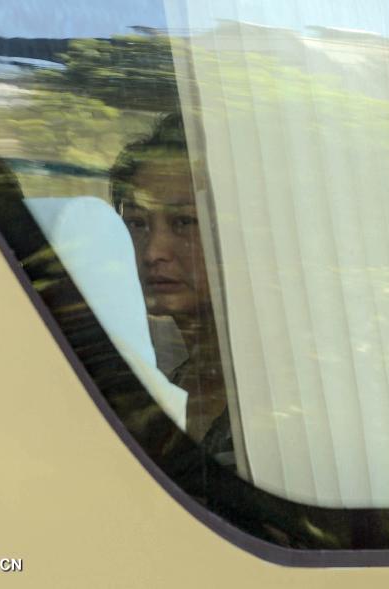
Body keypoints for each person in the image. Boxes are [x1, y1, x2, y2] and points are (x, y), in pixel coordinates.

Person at [110, 114, 234, 466]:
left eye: (184, 222)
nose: (152, 252)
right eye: (137, 223)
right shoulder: (172, 381)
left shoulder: (279, 401)